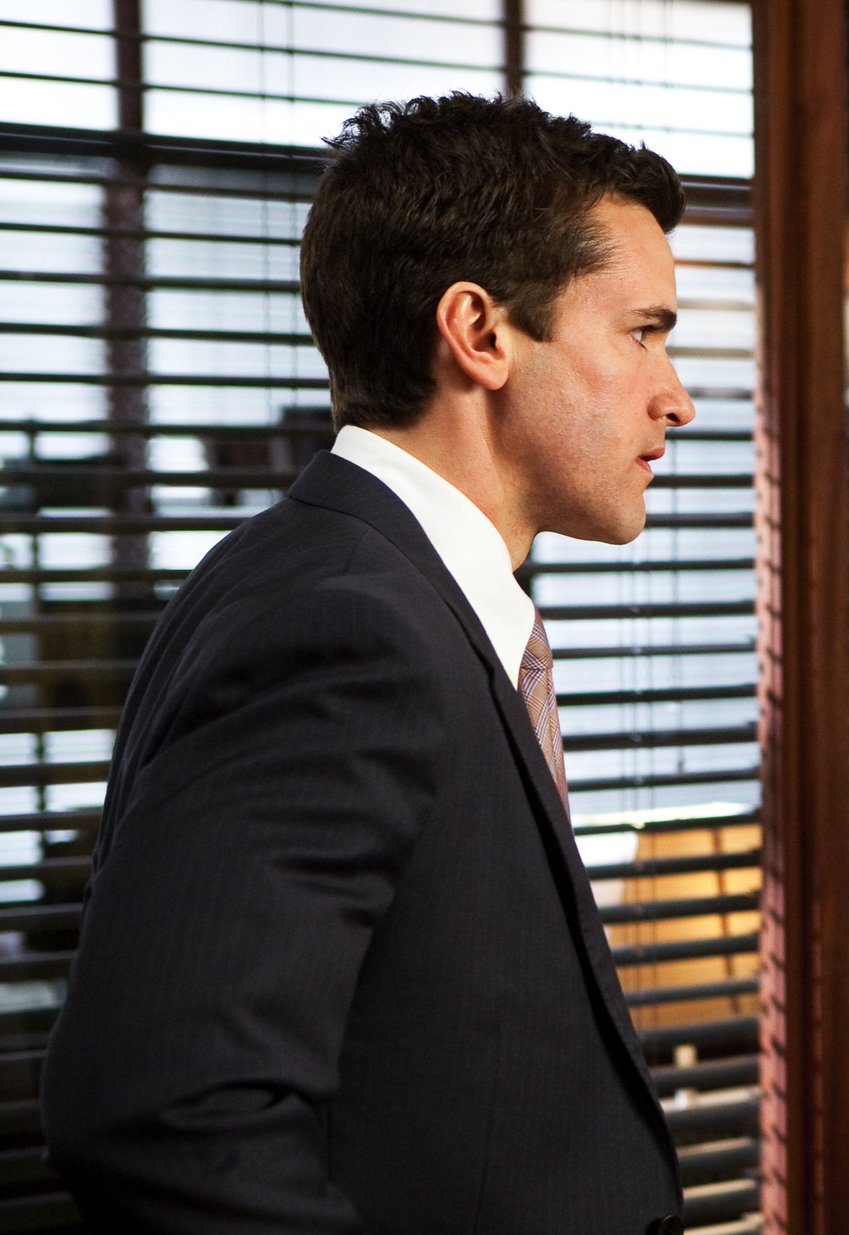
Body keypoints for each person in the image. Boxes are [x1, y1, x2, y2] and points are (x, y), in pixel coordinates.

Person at [41, 94, 695, 1234]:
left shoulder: (360, 588)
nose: (675, 397)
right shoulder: (348, 627)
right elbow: (167, 1118)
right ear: (480, 332)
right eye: (642, 331)